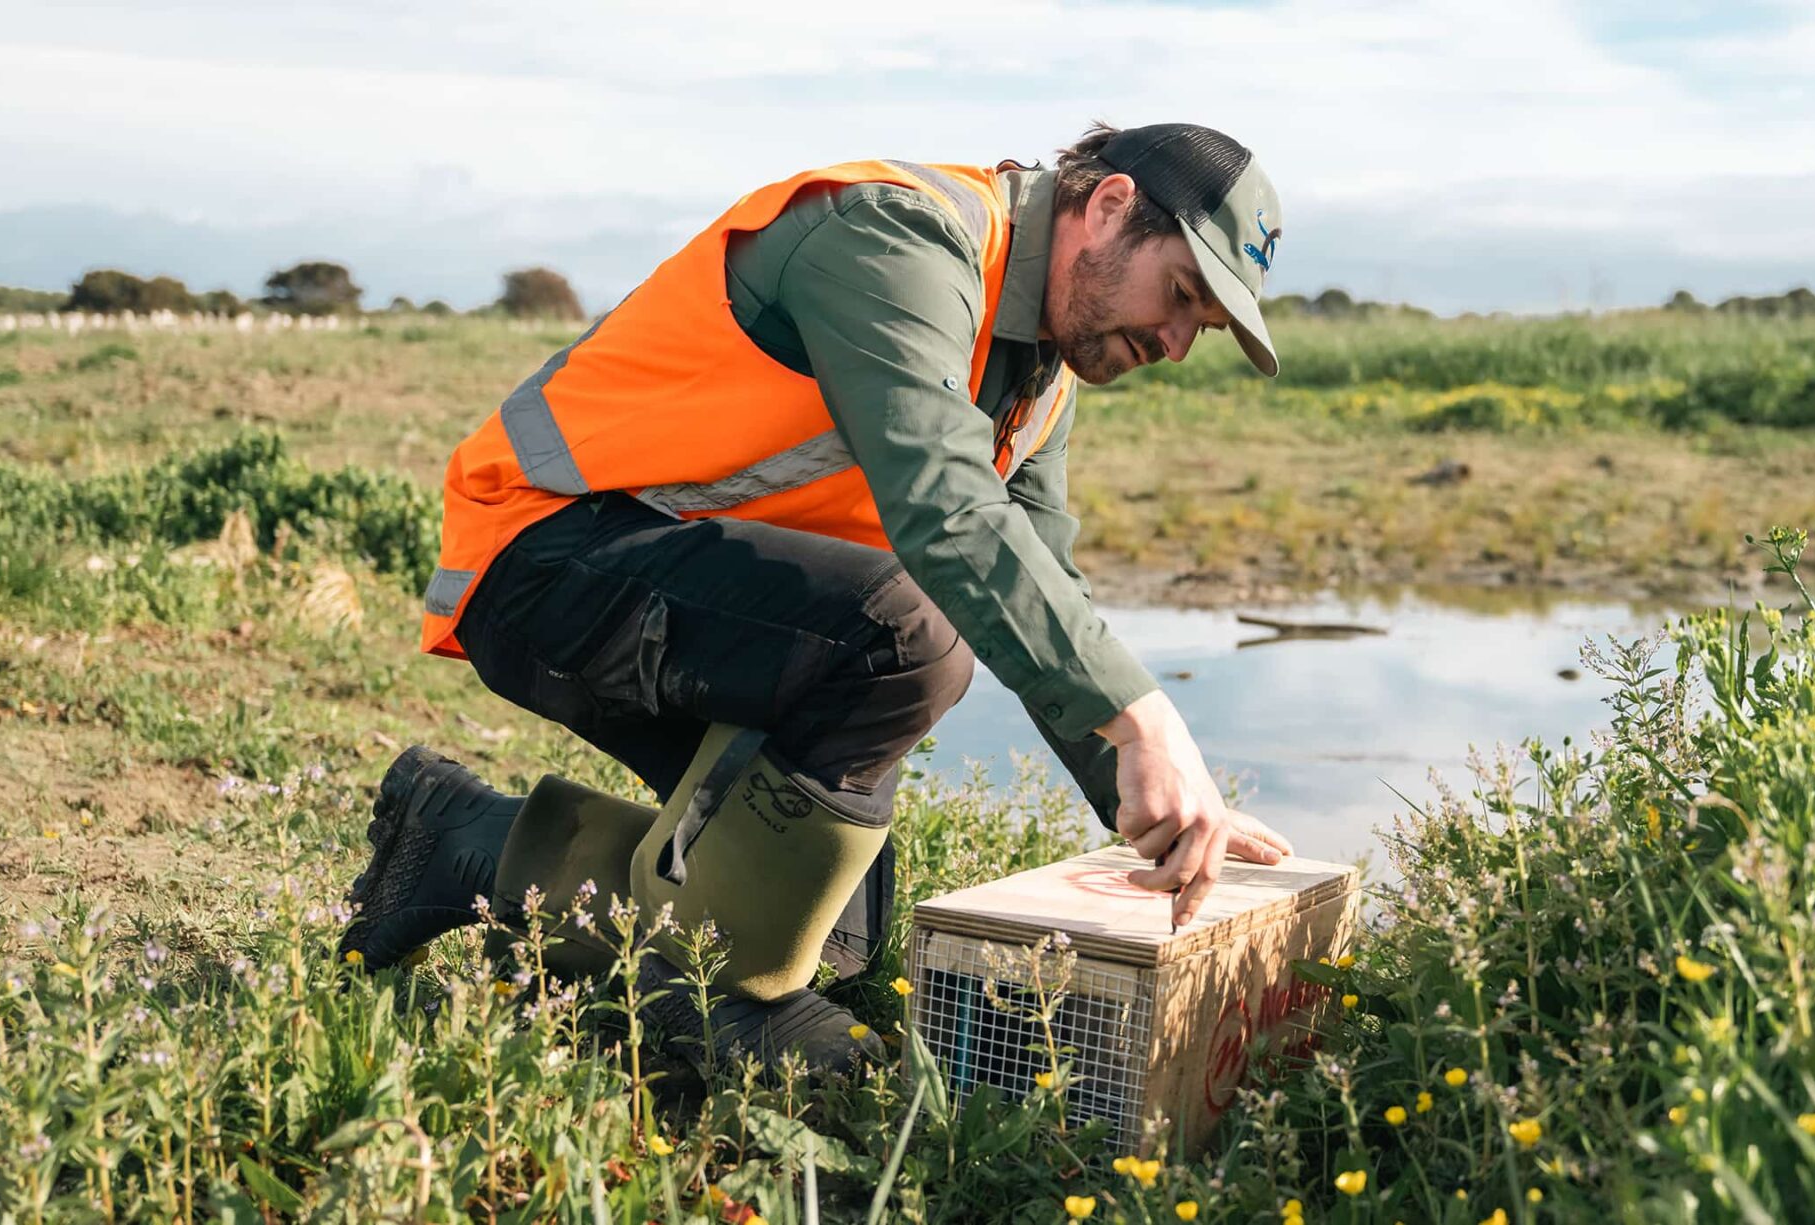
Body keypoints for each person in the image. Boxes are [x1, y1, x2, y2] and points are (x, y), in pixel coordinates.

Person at [339, 123, 1296, 1074]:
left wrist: (1162, 802)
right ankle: (726, 1011)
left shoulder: (1039, 378)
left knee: (832, 923)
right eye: (1181, 295)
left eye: (1200, 328)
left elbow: (1041, 580)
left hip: (696, 597)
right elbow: (947, 509)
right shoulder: (897, 238)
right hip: (541, 557)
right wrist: (1145, 717)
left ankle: (462, 842)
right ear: (1111, 205)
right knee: (905, 638)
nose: (1175, 343)